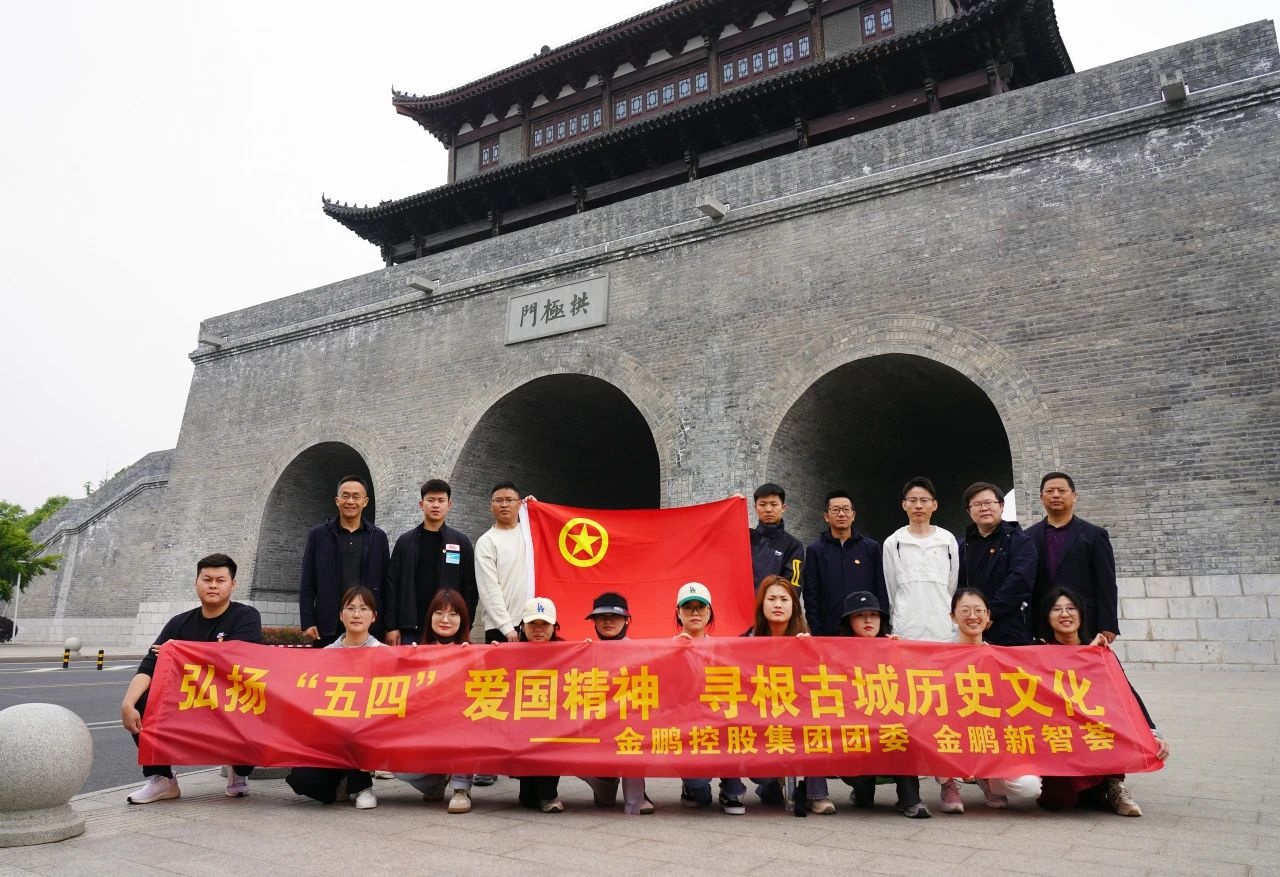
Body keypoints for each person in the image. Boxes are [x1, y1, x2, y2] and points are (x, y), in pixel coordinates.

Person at [121, 553, 262, 804]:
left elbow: (238, 657)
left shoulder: (246, 616)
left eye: (220, 580)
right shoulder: (179, 623)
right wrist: (128, 703)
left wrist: (179, 651)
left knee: (253, 703)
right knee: (142, 702)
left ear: (233, 584)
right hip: (188, 700)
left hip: (230, 698)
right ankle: (162, 779)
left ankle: (239, 769)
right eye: (207, 579)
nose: (213, 585)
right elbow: (150, 665)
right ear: (196, 582)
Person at [1035, 586, 1169, 816]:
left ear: (1081, 613)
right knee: (1058, 800)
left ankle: (1113, 784)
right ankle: (1099, 789)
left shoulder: (1100, 652)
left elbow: (1125, 692)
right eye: (1056, 609)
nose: (1065, 614)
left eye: (1071, 608)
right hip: (1059, 735)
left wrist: (1152, 733)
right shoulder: (1038, 651)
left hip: (1094, 728)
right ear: (1047, 617)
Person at [938, 588, 1042, 813]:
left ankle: (987, 779)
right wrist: (893, 647)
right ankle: (948, 784)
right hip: (950, 735)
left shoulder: (1000, 657)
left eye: (979, 611)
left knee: (1030, 786)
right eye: (965, 611)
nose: (972, 616)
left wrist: (1091, 650)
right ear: (953, 617)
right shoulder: (939, 655)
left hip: (991, 740)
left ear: (988, 616)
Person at [286, 587, 385, 810]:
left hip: (369, 733)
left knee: (356, 730)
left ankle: (362, 785)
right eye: (350, 608)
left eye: (363, 609)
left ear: (374, 616)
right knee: (302, 780)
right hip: (330, 738)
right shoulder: (326, 654)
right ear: (341, 615)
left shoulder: (385, 653)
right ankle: (343, 781)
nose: (356, 614)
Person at [836, 590, 929, 818]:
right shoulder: (836, 654)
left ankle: (910, 800)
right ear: (849, 621)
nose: (868, 620)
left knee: (905, 734)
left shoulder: (894, 648)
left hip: (889, 727)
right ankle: (863, 792)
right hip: (854, 730)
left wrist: (899, 655)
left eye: (873, 615)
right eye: (860, 615)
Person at [746, 576, 834, 814]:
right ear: (761, 604)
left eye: (784, 599)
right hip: (760, 718)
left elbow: (823, 684)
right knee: (764, 779)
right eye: (772, 599)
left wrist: (811, 653)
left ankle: (816, 794)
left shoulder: (805, 639)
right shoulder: (747, 641)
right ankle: (772, 784)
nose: (778, 604)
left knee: (819, 726)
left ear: (794, 606)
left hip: (799, 714)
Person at [396, 588, 476, 813]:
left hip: (459, 730)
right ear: (430, 617)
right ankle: (434, 785)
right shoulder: (416, 653)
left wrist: (490, 656)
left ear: (463, 620)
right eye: (439, 613)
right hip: (426, 731)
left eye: (453, 614)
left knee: (467, 727)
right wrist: (407, 662)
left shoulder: (474, 653)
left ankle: (461, 788)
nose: (445, 620)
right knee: (396, 765)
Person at [472, 481, 529, 786]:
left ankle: (523, 755)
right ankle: (490, 760)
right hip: (500, 627)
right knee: (496, 693)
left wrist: (540, 512)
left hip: (534, 625)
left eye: (510, 499)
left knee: (530, 692)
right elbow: (489, 589)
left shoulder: (531, 533)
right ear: (490, 505)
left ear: (520, 503)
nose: (505, 504)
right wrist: (508, 629)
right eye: (499, 500)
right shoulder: (487, 541)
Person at [674, 582, 748, 815]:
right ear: (679, 613)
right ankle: (692, 786)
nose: (695, 613)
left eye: (701, 607)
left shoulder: (725, 649)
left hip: (721, 723)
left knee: (733, 726)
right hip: (688, 729)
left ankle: (732, 785)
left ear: (709, 612)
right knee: (700, 793)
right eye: (688, 607)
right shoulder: (666, 649)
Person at [578, 592, 654, 815]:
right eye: (601, 617)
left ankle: (638, 796)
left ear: (627, 620)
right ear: (594, 622)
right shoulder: (584, 651)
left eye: (614, 616)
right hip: (597, 727)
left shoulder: (644, 652)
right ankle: (604, 782)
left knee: (633, 736)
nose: (608, 622)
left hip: (631, 727)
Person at [1026, 472, 1120, 643]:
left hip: (1084, 622)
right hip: (1042, 622)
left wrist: (1108, 624)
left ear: (1074, 496)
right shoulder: (1028, 537)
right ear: (1041, 498)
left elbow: (1106, 583)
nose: (1055, 495)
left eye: (1062, 491)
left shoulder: (1094, 535)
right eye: (1050, 491)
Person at [383, 478, 477, 645]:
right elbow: (391, 584)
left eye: (441, 500)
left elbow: (470, 587)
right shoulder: (405, 542)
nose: (435, 505)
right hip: (410, 629)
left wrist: (465, 626)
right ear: (421, 504)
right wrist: (391, 626)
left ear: (449, 505)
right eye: (431, 500)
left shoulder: (460, 542)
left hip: (448, 628)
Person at [300, 475, 390, 648]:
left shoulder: (378, 537)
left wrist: (389, 625)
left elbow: (387, 583)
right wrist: (307, 621)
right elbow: (307, 581)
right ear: (337, 500)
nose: (350, 501)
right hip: (327, 624)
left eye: (356, 497)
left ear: (365, 501)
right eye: (345, 496)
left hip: (367, 625)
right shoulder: (318, 535)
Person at [957, 482, 1036, 645]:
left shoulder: (1020, 542)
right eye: (977, 504)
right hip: (971, 628)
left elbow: (1019, 581)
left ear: (1001, 505)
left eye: (989, 503)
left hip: (1010, 629)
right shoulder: (961, 546)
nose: (984, 508)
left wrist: (990, 614)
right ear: (968, 511)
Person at [883, 476, 959, 642]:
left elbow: (952, 585)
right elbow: (891, 588)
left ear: (934, 505)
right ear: (904, 504)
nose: (918, 505)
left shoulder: (947, 540)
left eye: (924, 500)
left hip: (943, 628)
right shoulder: (893, 542)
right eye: (912, 500)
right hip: (906, 629)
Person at [802, 489, 887, 636]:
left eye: (846, 509)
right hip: (829, 632)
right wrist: (817, 632)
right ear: (826, 516)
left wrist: (882, 631)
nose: (841, 514)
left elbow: (880, 590)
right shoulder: (815, 550)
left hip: (864, 634)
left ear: (853, 515)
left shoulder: (871, 548)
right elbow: (811, 596)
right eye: (836, 510)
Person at [514, 597, 566, 813]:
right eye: (532, 624)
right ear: (522, 626)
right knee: (527, 800)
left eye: (544, 624)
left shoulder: (568, 651)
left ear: (554, 627)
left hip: (554, 721)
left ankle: (549, 793)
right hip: (521, 721)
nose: (538, 629)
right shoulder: (509, 652)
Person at [748, 483, 804, 593]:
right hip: (741, 602)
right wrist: (732, 502)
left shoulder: (793, 546)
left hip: (772, 603)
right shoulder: (745, 537)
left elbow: (792, 587)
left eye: (774, 504)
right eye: (762, 504)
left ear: (783, 508)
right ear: (755, 508)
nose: (768, 509)